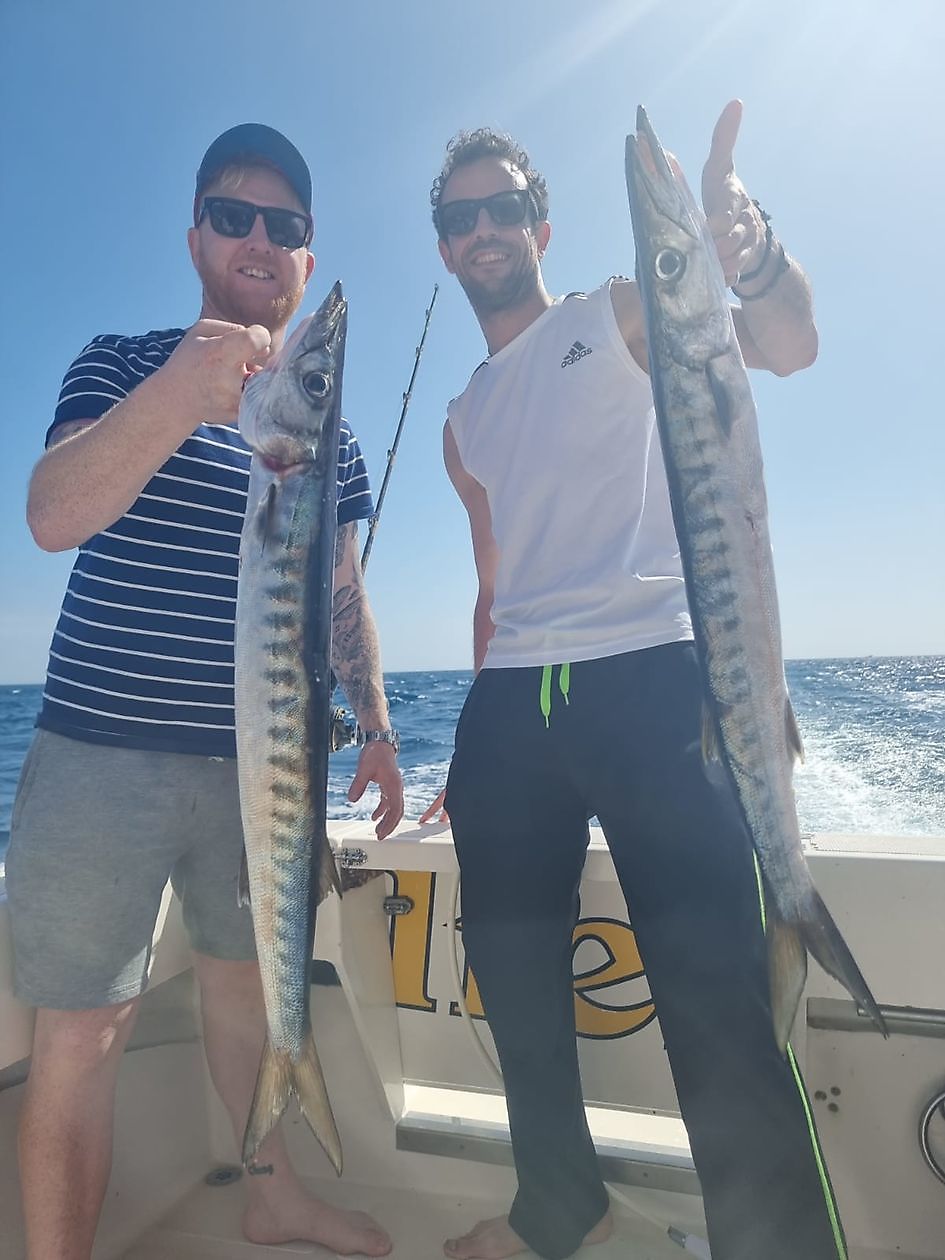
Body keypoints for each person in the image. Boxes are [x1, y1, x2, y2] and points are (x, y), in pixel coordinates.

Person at [421, 102, 846, 1260]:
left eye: (505, 206)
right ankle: (559, 1204)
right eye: (461, 218)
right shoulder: (460, 422)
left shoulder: (615, 314)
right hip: (513, 708)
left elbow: (788, 346)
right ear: (445, 249)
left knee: (716, 1004)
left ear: (542, 226)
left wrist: (750, 252)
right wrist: (476, 743)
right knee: (514, 988)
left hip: (658, 679)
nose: (484, 229)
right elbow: (495, 582)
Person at [7, 123, 402, 1259]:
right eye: (234, 216)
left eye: (286, 226)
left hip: (262, 772)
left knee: (249, 992)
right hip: (103, 753)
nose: (259, 240)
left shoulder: (328, 436)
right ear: (196, 239)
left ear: (306, 258)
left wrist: (378, 727)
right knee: (83, 1033)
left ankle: (274, 1198)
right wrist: (183, 391)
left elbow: (341, 593)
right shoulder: (121, 361)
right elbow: (52, 514)